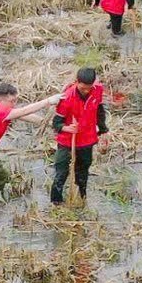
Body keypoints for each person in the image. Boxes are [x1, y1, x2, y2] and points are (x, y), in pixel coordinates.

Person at [51, 67, 109, 205]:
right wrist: (67, 128)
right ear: (77, 82)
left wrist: (103, 130)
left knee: (83, 172)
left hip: (87, 139)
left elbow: (99, 111)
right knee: (61, 173)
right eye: (83, 88)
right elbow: (56, 123)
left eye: (89, 88)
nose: (86, 91)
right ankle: (56, 203)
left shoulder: (98, 90)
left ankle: (82, 198)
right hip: (67, 141)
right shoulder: (67, 97)